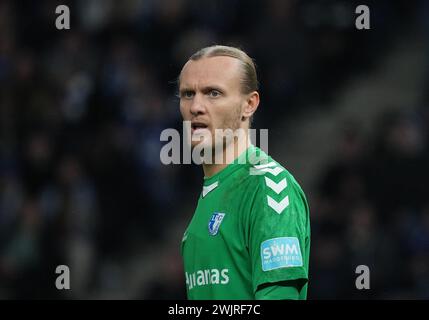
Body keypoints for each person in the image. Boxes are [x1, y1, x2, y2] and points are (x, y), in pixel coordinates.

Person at [178, 45, 310, 299]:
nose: (195, 106)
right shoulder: (210, 193)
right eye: (187, 94)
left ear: (249, 104)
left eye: (213, 93)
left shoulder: (268, 187)